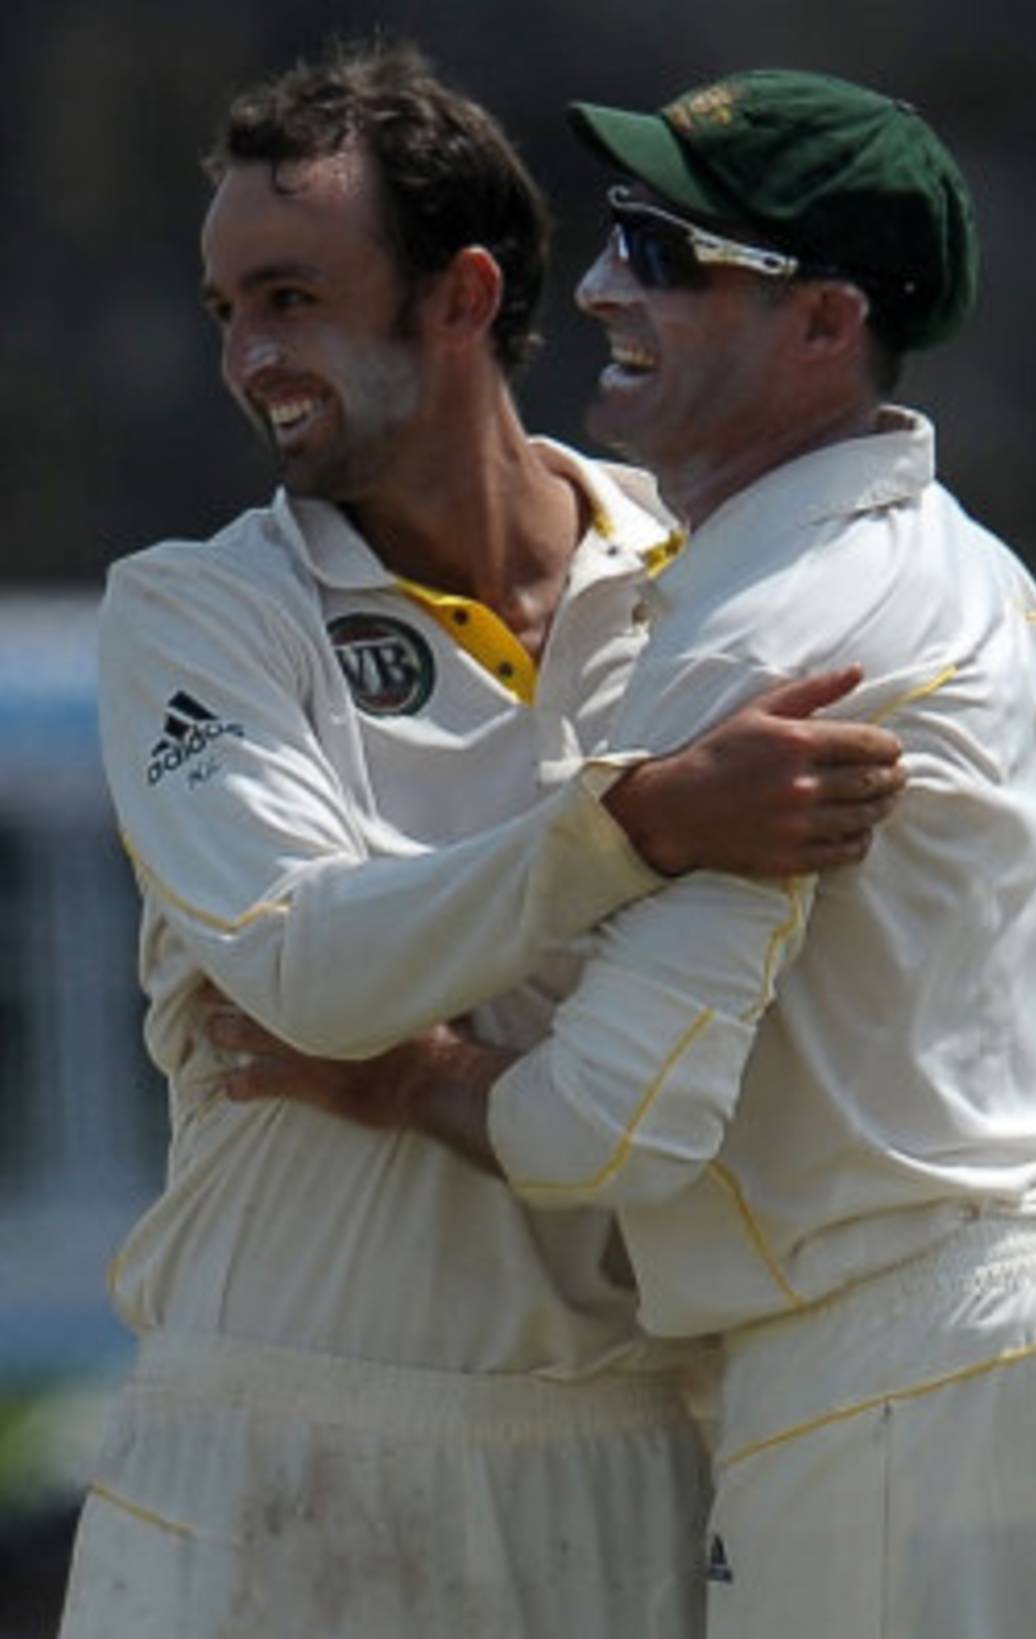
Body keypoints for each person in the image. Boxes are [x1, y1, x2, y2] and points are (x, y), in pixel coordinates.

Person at [230, 71, 1036, 1638]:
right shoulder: (933, 550)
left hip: (900, 1395)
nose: (594, 285)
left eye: (664, 253)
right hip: (1004, 1342)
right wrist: (1026, 1196)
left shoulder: (768, 631)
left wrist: (398, 1074)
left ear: (823, 324)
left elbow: (609, 1134)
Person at [58, 45, 909, 1639]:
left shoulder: (701, 576)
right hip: (260, 1463)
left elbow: (842, 1007)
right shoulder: (197, 612)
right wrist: (641, 824)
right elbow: (316, 967)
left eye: (292, 297)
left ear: (460, 295)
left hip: (630, 1457)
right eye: (226, 311)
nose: (248, 357)